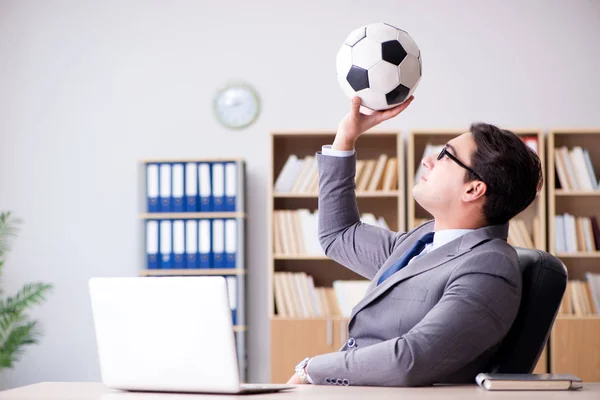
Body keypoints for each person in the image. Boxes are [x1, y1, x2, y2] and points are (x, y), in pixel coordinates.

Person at [287, 95, 543, 387]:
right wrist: (346, 138)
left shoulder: (489, 265)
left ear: (473, 189)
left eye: (445, 155)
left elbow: (412, 359)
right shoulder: (421, 240)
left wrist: (312, 368)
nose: (428, 160)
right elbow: (339, 235)